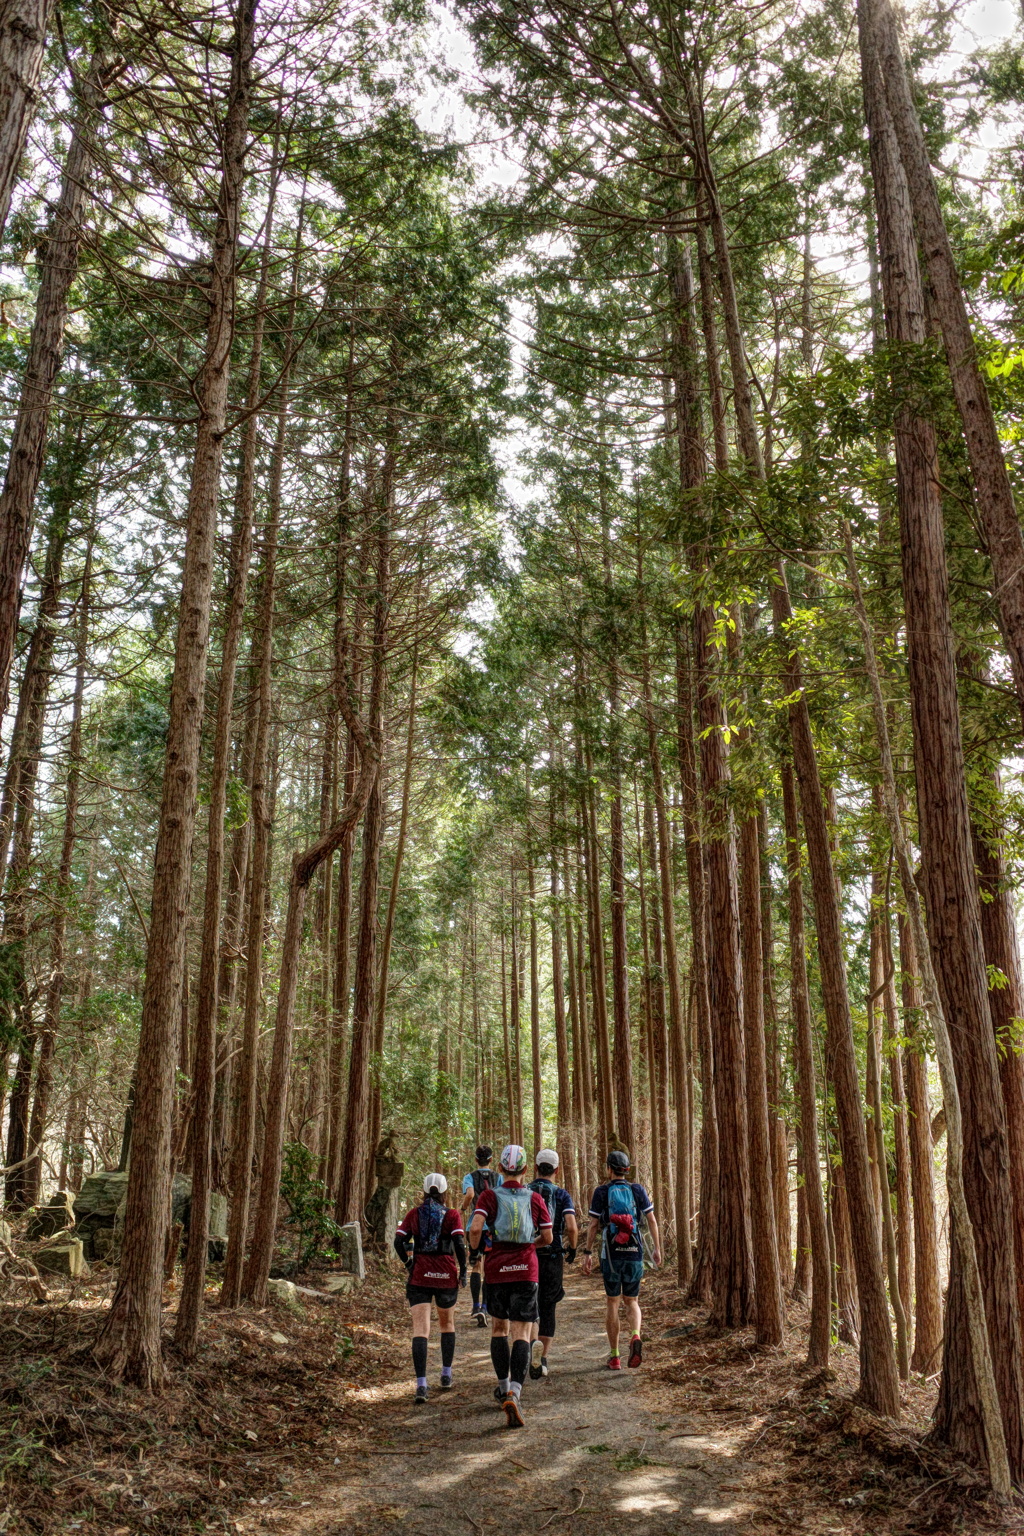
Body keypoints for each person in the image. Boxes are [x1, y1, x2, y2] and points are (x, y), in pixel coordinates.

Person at [467, 1143, 552, 1428]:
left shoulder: (490, 1196)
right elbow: (548, 1237)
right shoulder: (535, 1198)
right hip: (526, 1270)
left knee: (499, 1329)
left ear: (501, 1169)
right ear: (526, 1169)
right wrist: (530, 1245)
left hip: (497, 1269)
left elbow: (476, 1228)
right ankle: (515, 1392)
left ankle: (502, 1386)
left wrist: (475, 1252)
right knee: (522, 1332)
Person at [582, 1149, 661, 1370]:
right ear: (627, 1170)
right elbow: (651, 1220)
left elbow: (593, 1224)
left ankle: (615, 1356)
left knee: (612, 1302)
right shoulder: (637, 1190)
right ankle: (635, 1335)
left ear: (609, 1169)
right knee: (632, 1301)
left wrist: (587, 1253)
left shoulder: (601, 1191)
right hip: (634, 1253)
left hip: (612, 1255)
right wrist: (656, 1248)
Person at [394, 1173, 467, 1402]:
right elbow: (458, 1243)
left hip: (420, 1277)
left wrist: (408, 1263)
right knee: (447, 1324)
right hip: (445, 1275)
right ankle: (446, 1374)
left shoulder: (414, 1214)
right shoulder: (452, 1215)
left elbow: (399, 1240)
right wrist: (463, 1270)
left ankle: (421, 1385)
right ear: (445, 1193)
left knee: (420, 1330)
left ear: (424, 1192)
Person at [527, 1149, 578, 1380]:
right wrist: (574, 1249)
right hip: (553, 1256)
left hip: (527, 1255)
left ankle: (530, 1348)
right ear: (556, 1170)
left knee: (529, 1305)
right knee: (549, 1307)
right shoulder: (561, 1194)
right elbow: (571, 1226)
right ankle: (543, 1358)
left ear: (536, 1167)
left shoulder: (525, 1191)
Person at [460, 1144, 503, 1327]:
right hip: (493, 1227)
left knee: (476, 1266)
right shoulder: (498, 1177)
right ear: (491, 1160)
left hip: (475, 1225)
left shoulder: (469, 1177)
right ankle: (486, 1307)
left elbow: (470, 1194)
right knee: (489, 1268)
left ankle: (476, 1306)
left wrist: (463, 1208)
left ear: (476, 1160)